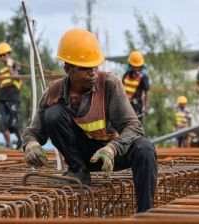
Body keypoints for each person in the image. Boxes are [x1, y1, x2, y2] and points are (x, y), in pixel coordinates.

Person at [22, 28, 157, 212]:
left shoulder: (109, 84)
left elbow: (133, 127)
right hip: (81, 157)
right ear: (68, 69)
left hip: (107, 155)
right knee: (52, 114)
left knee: (145, 149)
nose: (93, 72)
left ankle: (145, 213)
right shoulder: (53, 92)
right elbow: (33, 132)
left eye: (96, 67)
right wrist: (30, 145)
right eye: (86, 68)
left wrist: (112, 148)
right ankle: (79, 173)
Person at [122, 50, 150, 121]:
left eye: (138, 67)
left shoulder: (143, 77)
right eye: (134, 67)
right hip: (124, 106)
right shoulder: (126, 75)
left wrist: (146, 108)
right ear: (130, 65)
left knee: (135, 127)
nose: (136, 69)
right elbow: (120, 89)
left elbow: (147, 93)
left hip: (136, 104)